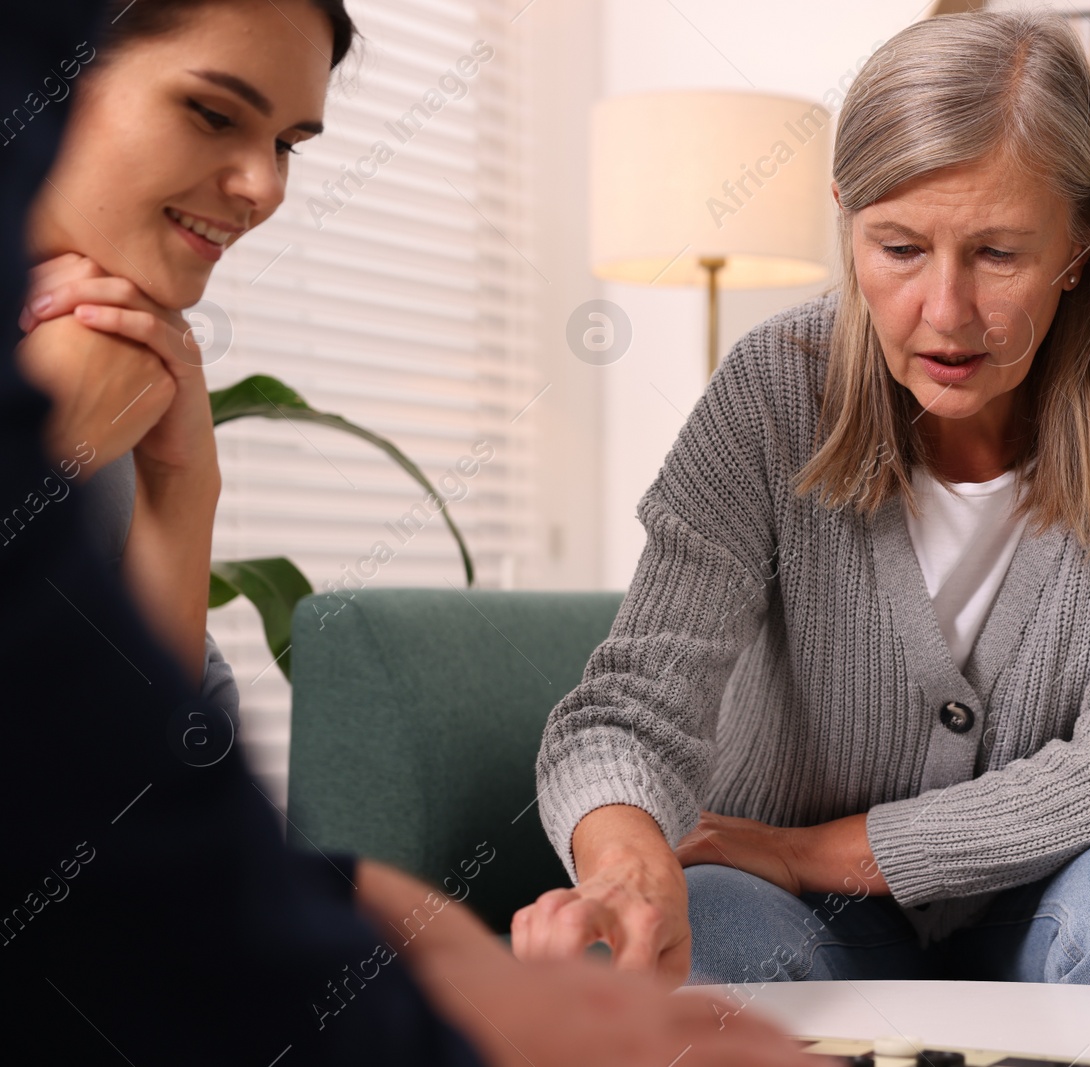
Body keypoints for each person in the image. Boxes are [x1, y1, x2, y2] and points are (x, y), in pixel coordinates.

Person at [3, 2, 823, 1064]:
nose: (263, 188)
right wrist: (53, 441)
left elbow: (144, 782)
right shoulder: (68, 373)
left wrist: (179, 485)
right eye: (212, 114)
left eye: (290, 145)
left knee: (428, 926)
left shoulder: (113, 347)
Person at [520, 9, 1090, 994]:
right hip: (796, 916)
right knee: (707, 941)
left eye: (999, 254)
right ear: (845, 217)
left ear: (1080, 243)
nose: (945, 313)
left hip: (1051, 886)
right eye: (899, 248)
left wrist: (808, 848)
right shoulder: (772, 385)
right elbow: (626, 710)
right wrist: (624, 859)